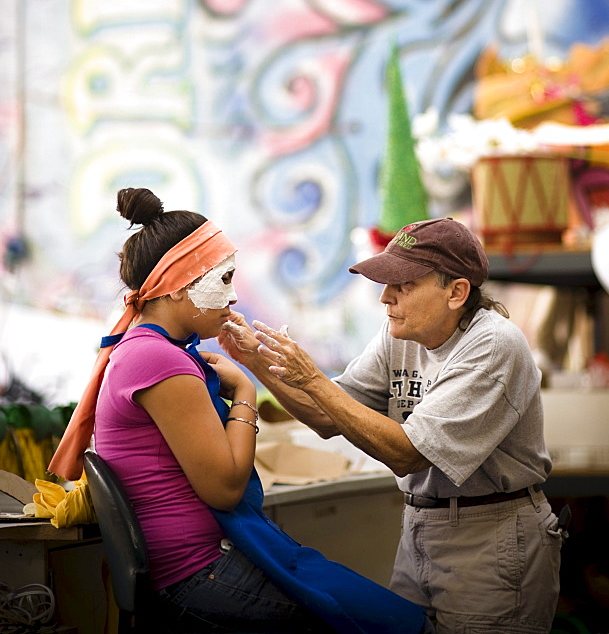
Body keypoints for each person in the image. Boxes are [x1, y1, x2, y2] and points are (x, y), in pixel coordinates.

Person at [49, 187, 432, 634]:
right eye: (223, 279)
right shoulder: (159, 359)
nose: (233, 297)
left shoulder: (148, 350)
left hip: (195, 563)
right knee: (361, 620)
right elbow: (225, 488)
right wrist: (245, 393)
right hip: (193, 574)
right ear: (176, 287)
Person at [219, 217, 563, 634]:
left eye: (404, 286)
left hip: (490, 537)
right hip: (420, 528)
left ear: (456, 292)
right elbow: (329, 417)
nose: (386, 298)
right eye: (387, 284)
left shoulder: (493, 345)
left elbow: (407, 454)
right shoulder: (399, 333)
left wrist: (309, 376)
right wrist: (255, 360)